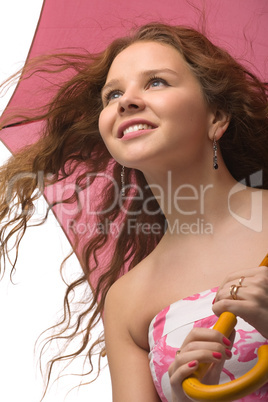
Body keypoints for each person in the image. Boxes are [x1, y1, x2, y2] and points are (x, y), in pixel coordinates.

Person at [0, 23, 268, 401]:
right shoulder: (126, 300)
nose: (126, 101)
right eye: (112, 94)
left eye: (156, 82)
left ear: (216, 118)